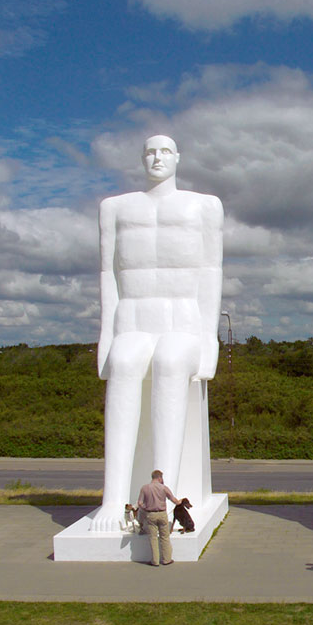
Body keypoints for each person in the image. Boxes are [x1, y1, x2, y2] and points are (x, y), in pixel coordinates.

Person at [91, 135, 224, 532]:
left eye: (165, 151)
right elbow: (108, 276)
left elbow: (210, 273)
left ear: (178, 158)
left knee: (168, 362)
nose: (157, 157)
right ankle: (114, 497)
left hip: (182, 320)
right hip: (132, 319)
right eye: (150, 151)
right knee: (126, 361)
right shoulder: (115, 208)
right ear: (140, 158)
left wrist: (208, 339)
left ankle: (167, 495)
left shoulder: (203, 205)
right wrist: (105, 338)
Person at [137, 469, 181, 566]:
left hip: (150, 514)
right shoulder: (164, 488)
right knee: (164, 537)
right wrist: (179, 502)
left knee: (153, 538)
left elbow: (139, 503)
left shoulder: (144, 488)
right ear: (159, 477)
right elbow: (173, 499)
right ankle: (167, 559)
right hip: (162, 513)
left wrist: (146, 508)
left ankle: (155, 561)